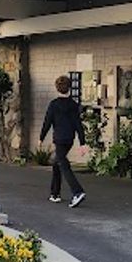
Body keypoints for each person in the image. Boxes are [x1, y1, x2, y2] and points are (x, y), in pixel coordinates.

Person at [40, 74, 86, 207]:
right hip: (69, 139)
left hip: (59, 139)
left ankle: (77, 191)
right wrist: (82, 143)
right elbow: (78, 124)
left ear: (57, 88)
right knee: (57, 163)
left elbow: (47, 122)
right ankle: (55, 193)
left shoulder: (54, 105)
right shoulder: (73, 105)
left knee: (64, 165)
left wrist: (41, 138)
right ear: (69, 88)